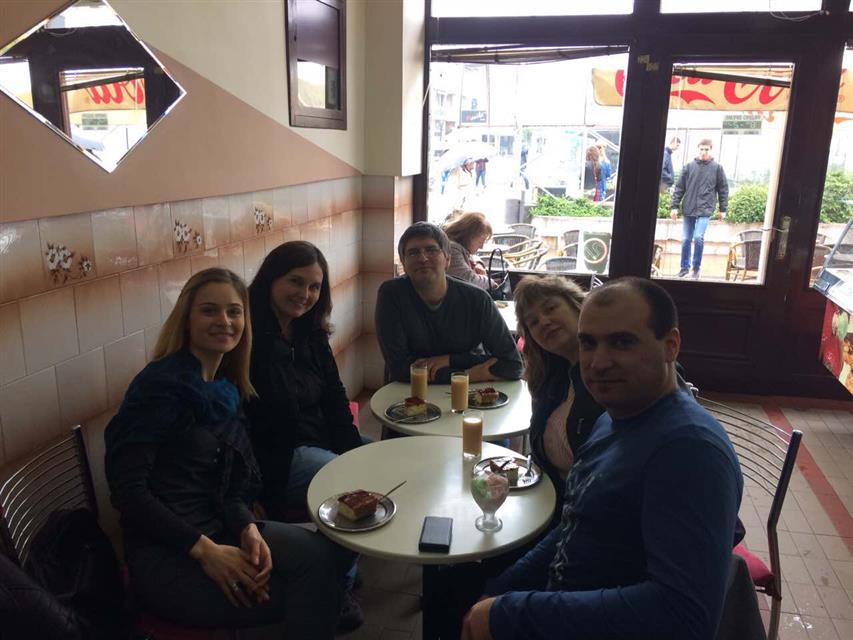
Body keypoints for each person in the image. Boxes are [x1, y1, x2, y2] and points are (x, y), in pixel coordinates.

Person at [462, 277, 743, 640]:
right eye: (588, 343)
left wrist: (510, 612)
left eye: (622, 342)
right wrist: (503, 587)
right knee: (455, 583)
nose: (598, 362)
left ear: (670, 345)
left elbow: (682, 617)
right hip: (565, 598)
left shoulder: (688, 450)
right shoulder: (614, 417)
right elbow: (575, 521)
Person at [105, 268, 346, 638]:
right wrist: (205, 550)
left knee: (326, 558)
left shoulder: (224, 389)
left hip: (221, 528)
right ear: (186, 319)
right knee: (314, 591)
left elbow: (230, 485)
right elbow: (129, 494)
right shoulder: (158, 389)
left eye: (234, 312)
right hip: (168, 551)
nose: (224, 321)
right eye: (209, 311)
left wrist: (246, 527)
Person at [247, 241, 366, 630]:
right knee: (350, 485)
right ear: (270, 279)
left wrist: (354, 452)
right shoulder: (248, 338)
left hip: (317, 442)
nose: (305, 294)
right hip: (276, 457)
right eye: (295, 282)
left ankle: (341, 565)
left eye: (314, 287)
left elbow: (334, 397)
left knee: (376, 464)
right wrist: (247, 491)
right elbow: (238, 423)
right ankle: (337, 588)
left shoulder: (309, 332)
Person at [375, 222, 522, 384]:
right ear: (403, 262)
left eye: (431, 250)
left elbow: (513, 365)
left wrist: (450, 361)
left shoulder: (477, 299)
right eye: (413, 252)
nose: (423, 258)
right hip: (410, 392)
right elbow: (400, 369)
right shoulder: (392, 294)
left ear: (448, 259)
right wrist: (470, 373)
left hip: (469, 394)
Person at [513, 276, 603, 509]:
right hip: (549, 503)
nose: (543, 321)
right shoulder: (551, 376)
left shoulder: (610, 376)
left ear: (578, 306)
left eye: (551, 308)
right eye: (533, 322)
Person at [671, 139, 729, 279]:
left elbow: (723, 189)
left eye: (706, 149)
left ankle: (696, 268)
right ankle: (684, 268)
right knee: (686, 239)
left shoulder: (717, 168)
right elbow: (679, 188)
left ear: (710, 149)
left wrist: (723, 209)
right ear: (698, 149)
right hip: (689, 207)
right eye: (701, 149)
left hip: (705, 208)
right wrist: (674, 207)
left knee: (698, 237)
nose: (703, 152)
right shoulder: (689, 166)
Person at [443, 211, 494, 291]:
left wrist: (478, 263)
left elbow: (472, 256)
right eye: (480, 242)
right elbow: (470, 281)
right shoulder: (452, 249)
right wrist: (491, 283)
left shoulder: (461, 246)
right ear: (468, 236)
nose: (481, 247)